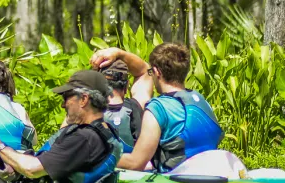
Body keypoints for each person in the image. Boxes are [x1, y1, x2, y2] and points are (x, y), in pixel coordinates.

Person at [91, 43, 223, 172]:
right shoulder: (200, 99)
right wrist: (119, 53)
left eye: (151, 72)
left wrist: (93, 157)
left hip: (178, 182)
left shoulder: (158, 108)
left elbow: (135, 163)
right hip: (211, 175)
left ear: (156, 72)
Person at [99, 59, 143, 153]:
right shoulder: (133, 107)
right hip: (131, 165)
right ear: (127, 85)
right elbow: (144, 72)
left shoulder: (92, 109)